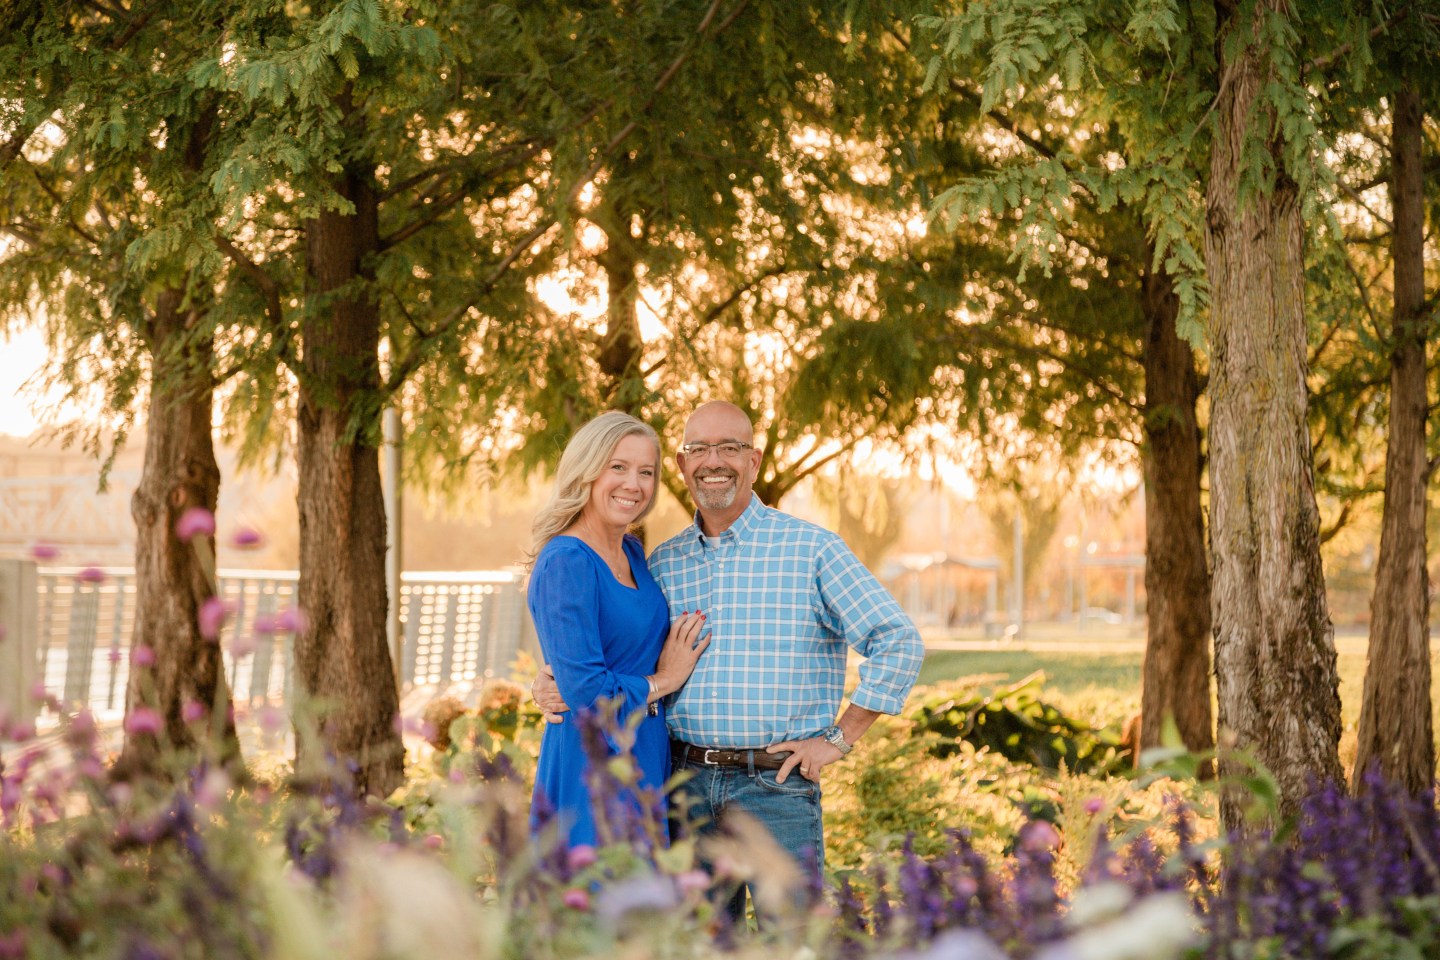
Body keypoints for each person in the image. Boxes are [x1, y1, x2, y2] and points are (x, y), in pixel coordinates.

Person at [535, 401, 923, 911]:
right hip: (679, 783)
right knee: (695, 942)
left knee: (792, 943)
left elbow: (897, 639)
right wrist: (551, 680)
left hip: (775, 787)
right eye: (699, 449)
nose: (712, 460)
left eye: (729, 448)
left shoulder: (811, 550)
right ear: (682, 464)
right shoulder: (662, 561)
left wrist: (839, 738)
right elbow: (610, 649)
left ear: (754, 461)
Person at [526, 411, 710, 849]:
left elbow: (597, 651)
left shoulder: (632, 551)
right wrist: (665, 680)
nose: (634, 484)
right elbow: (588, 692)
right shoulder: (566, 560)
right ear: (586, 471)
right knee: (600, 904)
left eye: (646, 472)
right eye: (618, 467)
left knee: (646, 907)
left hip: (645, 753)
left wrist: (554, 679)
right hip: (592, 761)